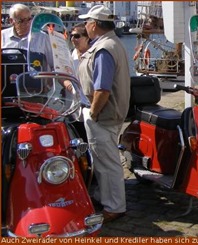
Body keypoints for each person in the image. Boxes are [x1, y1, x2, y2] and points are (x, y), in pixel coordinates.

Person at [77, 5, 130, 223]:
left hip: (103, 114)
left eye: (88, 22)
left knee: (107, 162)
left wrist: (94, 112)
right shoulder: (112, 43)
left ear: (94, 24)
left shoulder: (104, 48)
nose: (86, 26)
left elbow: (102, 89)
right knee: (102, 160)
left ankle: (115, 206)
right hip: (109, 113)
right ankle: (105, 197)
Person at [1, 3, 53, 69]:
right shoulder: (2, 36)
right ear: (11, 21)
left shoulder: (43, 38)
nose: (27, 24)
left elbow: (55, 64)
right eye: (22, 21)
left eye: (29, 19)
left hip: (35, 78)